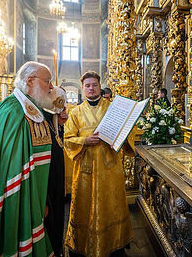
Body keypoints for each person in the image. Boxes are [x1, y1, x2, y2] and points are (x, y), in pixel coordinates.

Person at [0, 61, 68, 256]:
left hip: (43, 192)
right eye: (47, 81)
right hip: (26, 195)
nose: (51, 87)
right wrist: (36, 202)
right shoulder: (13, 109)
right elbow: (14, 165)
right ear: (30, 80)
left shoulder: (31, 106)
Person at [64, 70, 133, 257]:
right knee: (84, 206)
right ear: (83, 88)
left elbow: (127, 132)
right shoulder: (76, 112)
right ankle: (84, 243)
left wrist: (120, 137)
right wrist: (84, 141)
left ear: (99, 86)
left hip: (109, 167)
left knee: (112, 204)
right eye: (87, 86)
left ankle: (114, 242)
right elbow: (67, 139)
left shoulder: (113, 108)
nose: (91, 88)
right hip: (86, 167)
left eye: (94, 85)